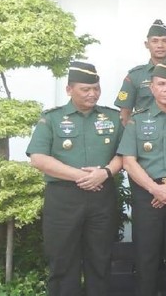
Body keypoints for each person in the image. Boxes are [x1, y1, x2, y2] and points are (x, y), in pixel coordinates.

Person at [27, 62, 123, 296]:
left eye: (96, 89)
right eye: (85, 89)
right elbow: (38, 158)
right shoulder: (52, 118)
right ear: (69, 89)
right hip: (64, 197)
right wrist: (80, 176)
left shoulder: (112, 118)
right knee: (62, 261)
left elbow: (124, 154)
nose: (92, 94)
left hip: (102, 197)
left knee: (100, 260)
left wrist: (105, 172)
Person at [118, 62, 166, 296]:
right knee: (146, 256)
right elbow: (128, 161)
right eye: (161, 84)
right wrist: (155, 189)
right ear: (151, 88)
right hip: (146, 194)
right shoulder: (136, 120)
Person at [115, 19, 166, 124]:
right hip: (143, 132)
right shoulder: (135, 76)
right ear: (146, 44)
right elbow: (125, 113)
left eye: (165, 41)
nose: (160, 45)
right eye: (155, 41)